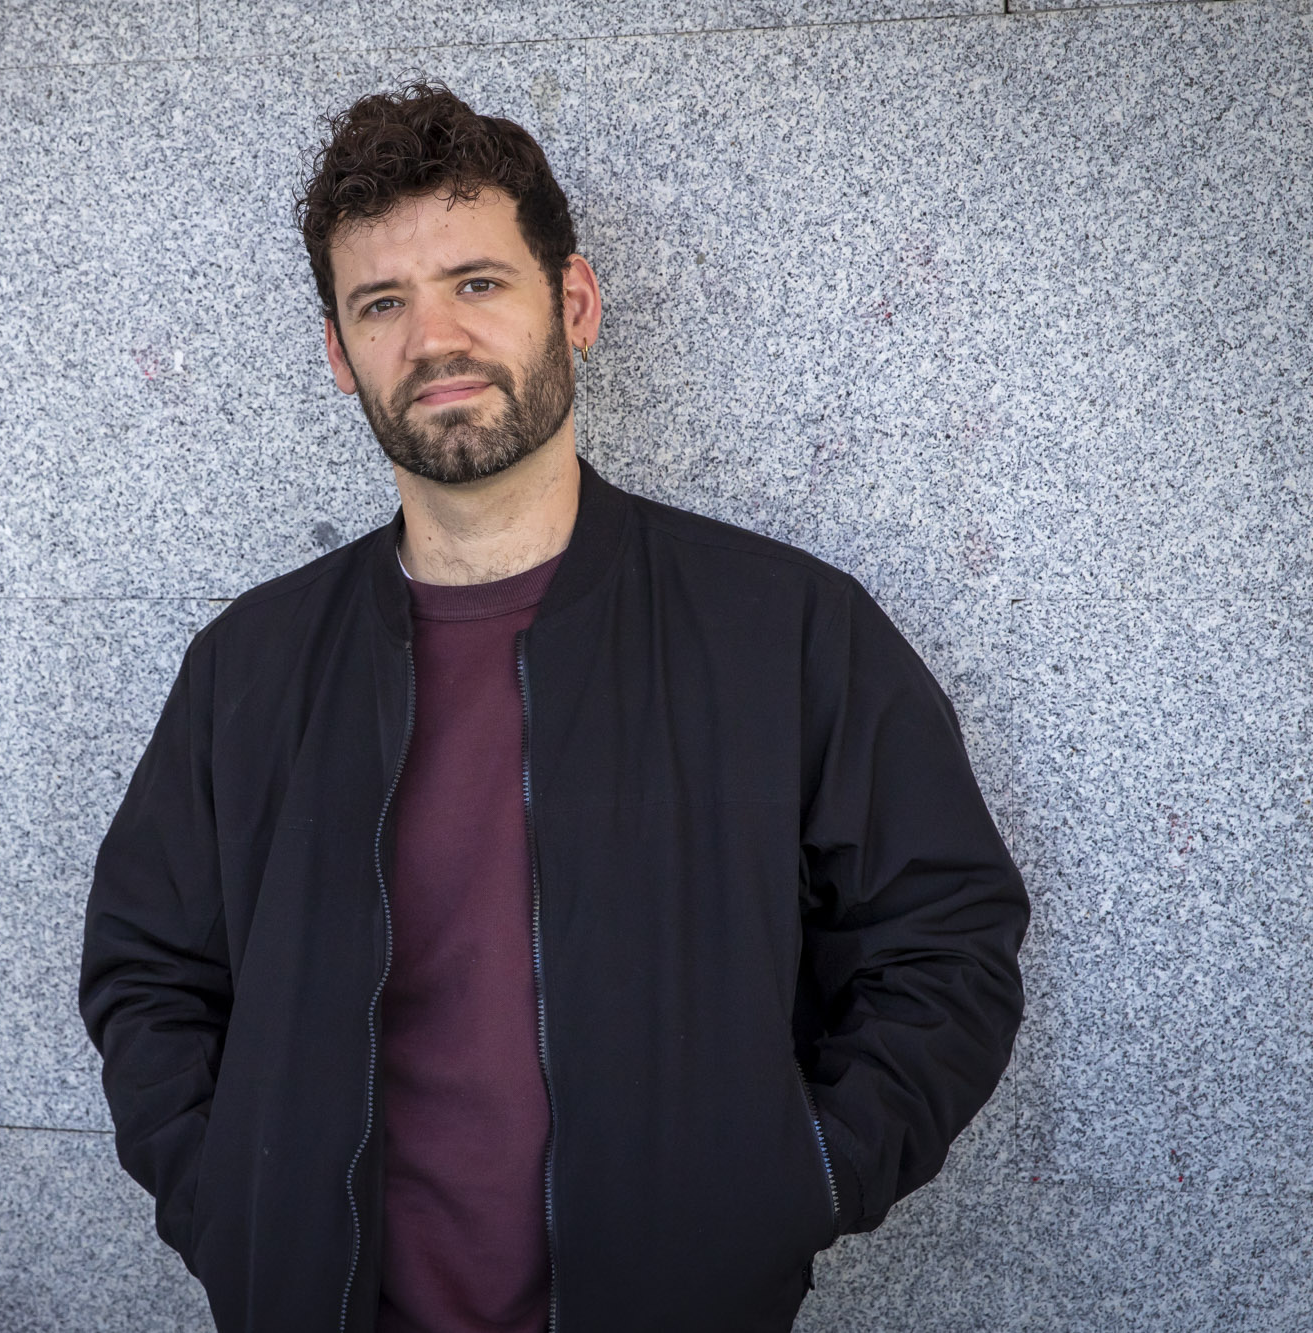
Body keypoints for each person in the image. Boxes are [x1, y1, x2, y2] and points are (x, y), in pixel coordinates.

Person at [79, 81, 1028, 1333]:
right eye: (382, 303)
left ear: (570, 303)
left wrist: (793, 1178)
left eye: (476, 283)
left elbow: (943, 940)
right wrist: (229, 1209)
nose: (433, 339)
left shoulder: (784, 630)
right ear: (337, 351)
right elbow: (147, 971)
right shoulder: (246, 669)